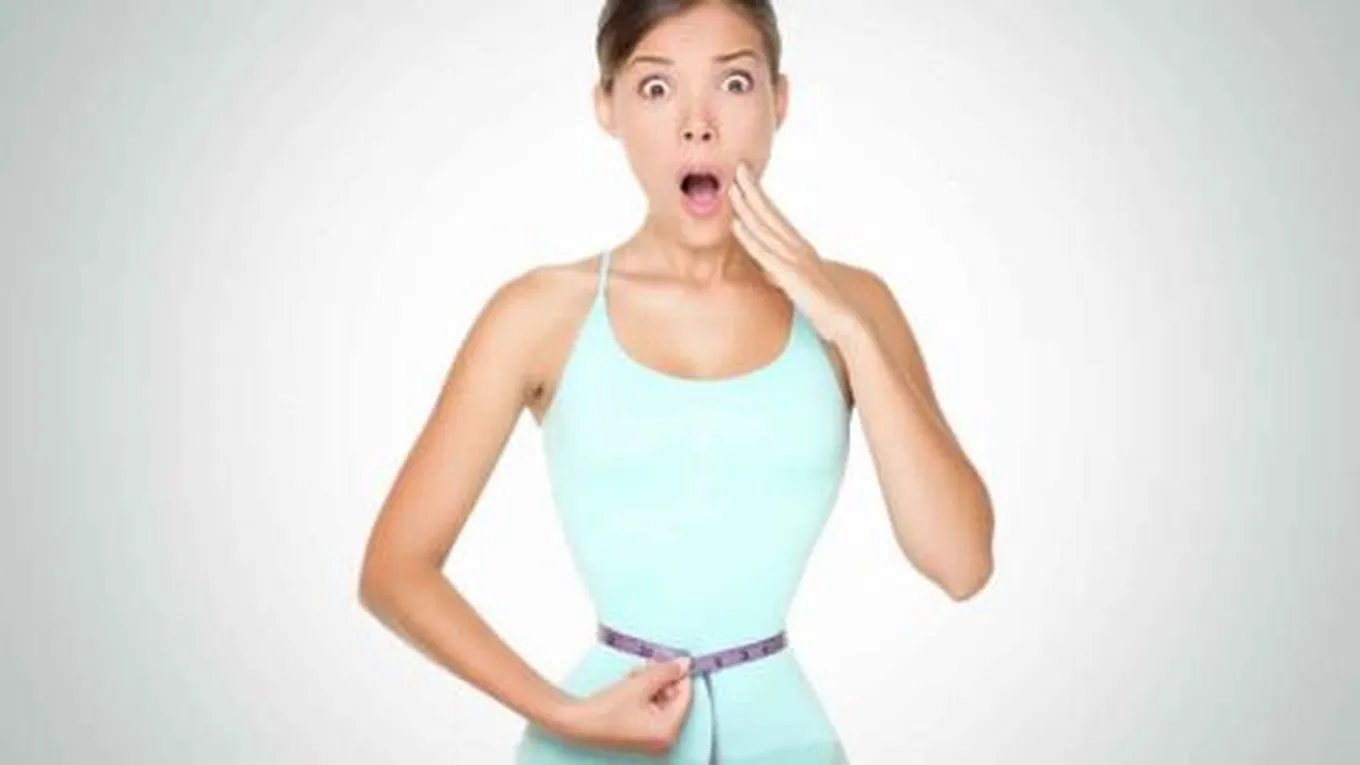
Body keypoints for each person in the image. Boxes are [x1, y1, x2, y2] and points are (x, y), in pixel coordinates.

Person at [358, 0, 995, 762]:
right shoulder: (539, 313)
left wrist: (850, 329)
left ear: (779, 101)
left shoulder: (856, 306)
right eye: (657, 88)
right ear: (608, 106)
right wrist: (564, 713)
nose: (698, 125)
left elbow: (961, 564)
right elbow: (394, 570)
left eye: (734, 83)